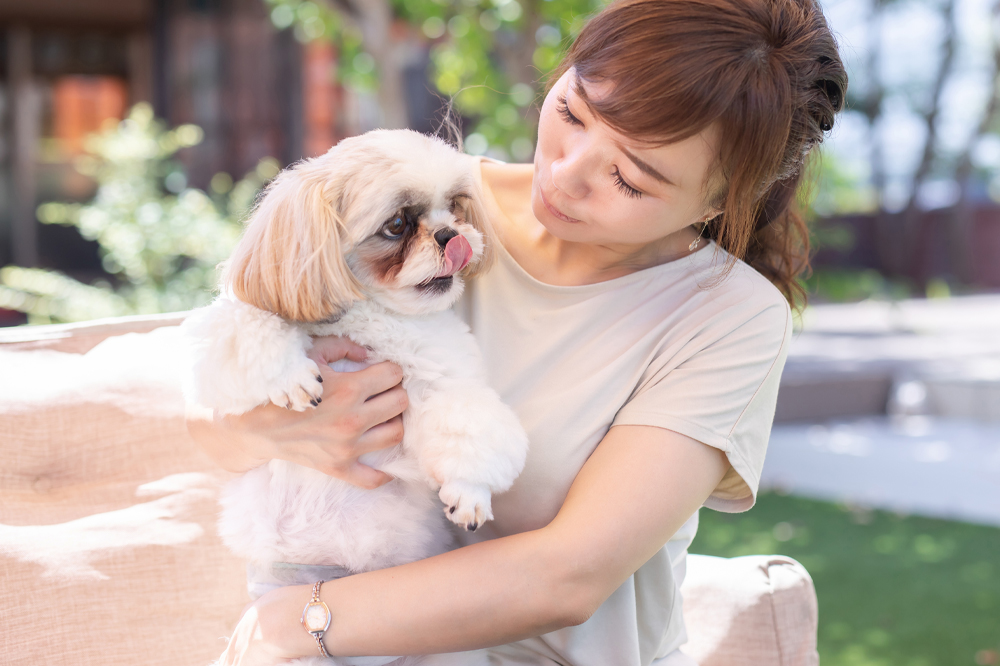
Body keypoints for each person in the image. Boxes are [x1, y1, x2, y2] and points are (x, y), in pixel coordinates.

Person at [186, 0, 847, 663]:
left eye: (628, 177)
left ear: (716, 203)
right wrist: (267, 427)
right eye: (572, 113)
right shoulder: (422, 199)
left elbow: (568, 576)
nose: (566, 174)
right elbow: (206, 421)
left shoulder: (727, 315)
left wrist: (298, 625)